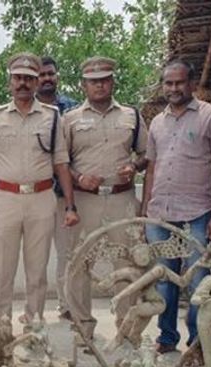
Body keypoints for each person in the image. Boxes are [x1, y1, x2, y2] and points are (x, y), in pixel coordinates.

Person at [0, 52, 79, 324]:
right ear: (10, 82)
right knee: (3, 269)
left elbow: (61, 162)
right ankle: (2, 328)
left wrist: (69, 205)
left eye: (29, 79)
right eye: (18, 78)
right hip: (6, 199)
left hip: (41, 199)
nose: (23, 83)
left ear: (35, 83)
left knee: (37, 271)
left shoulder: (52, 116)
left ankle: (34, 326)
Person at [141, 60, 211, 361]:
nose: (173, 88)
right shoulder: (156, 122)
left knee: (197, 281)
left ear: (192, 83)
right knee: (164, 278)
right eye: (168, 83)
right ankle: (167, 338)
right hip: (161, 214)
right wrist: (145, 212)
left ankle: (197, 343)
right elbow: (151, 170)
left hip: (198, 213)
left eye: (179, 82)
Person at [62, 56, 148, 343]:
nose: (99, 85)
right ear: (83, 85)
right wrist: (78, 179)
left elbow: (146, 155)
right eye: (93, 81)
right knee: (79, 263)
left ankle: (126, 327)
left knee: (126, 263)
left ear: (113, 81)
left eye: (105, 79)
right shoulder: (70, 119)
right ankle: (82, 328)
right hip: (85, 200)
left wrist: (134, 167)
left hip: (122, 199)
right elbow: (60, 163)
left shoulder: (131, 115)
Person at [35, 56, 80, 316]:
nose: (47, 79)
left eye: (50, 74)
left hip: (66, 196)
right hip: (37, 195)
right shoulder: (27, 110)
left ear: (57, 76)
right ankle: (35, 310)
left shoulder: (72, 110)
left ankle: (68, 305)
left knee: (68, 253)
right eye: (41, 75)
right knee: (36, 255)